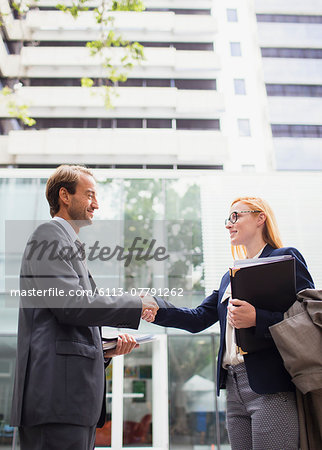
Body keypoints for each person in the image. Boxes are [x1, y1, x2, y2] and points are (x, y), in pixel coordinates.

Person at [142, 196, 315, 450]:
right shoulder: (229, 277)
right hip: (234, 387)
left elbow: (307, 319)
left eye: (236, 216)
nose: (228, 224)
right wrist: (158, 310)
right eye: (228, 218)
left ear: (260, 218)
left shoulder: (284, 258)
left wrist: (257, 318)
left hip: (271, 385)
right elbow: (198, 318)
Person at [10, 165, 159, 450]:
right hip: (57, 400)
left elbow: (65, 320)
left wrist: (104, 349)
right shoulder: (49, 235)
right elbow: (72, 305)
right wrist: (135, 305)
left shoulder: (68, 244)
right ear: (64, 196)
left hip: (71, 402)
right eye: (89, 195)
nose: (96, 204)